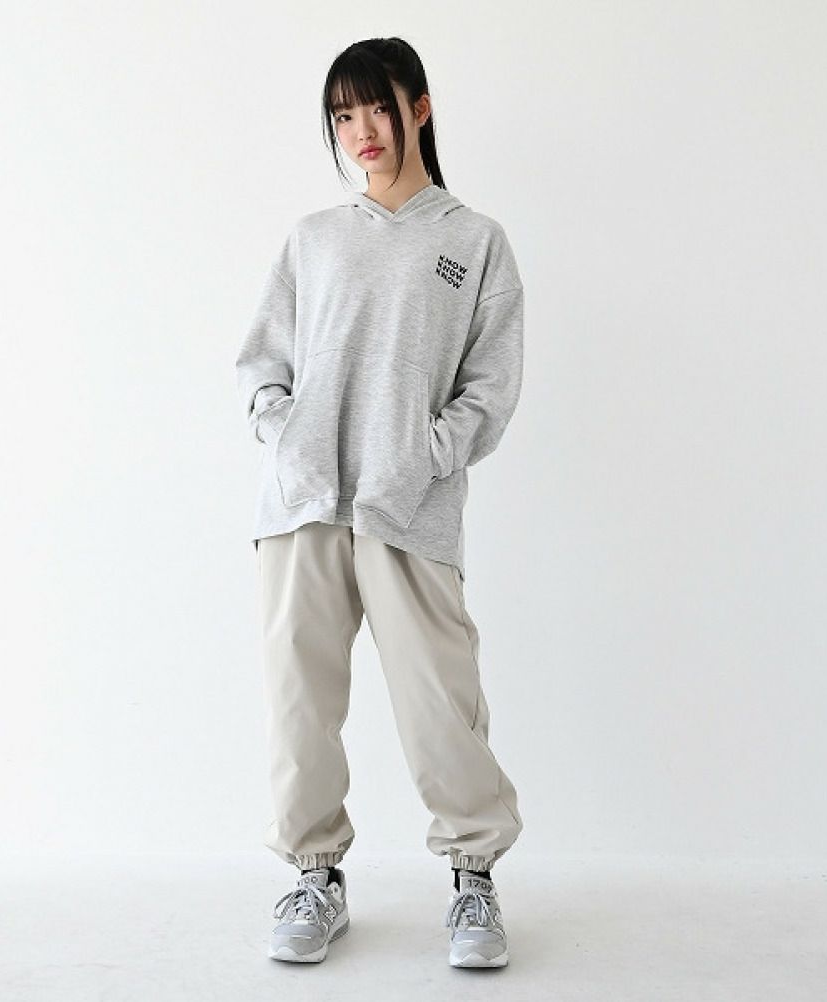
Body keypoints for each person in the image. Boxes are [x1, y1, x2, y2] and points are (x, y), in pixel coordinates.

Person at [235, 36, 525, 968]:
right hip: (305, 503)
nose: (361, 130)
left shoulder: (473, 242)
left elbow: (490, 387)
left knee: (441, 702)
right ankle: (315, 876)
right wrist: (285, 433)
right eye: (342, 115)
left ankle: (473, 879)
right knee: (299, 700)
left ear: (420, 108)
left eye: (376, 107)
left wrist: (425, 454)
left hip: (410, 507)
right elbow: (261, 362)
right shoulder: (313, 238)